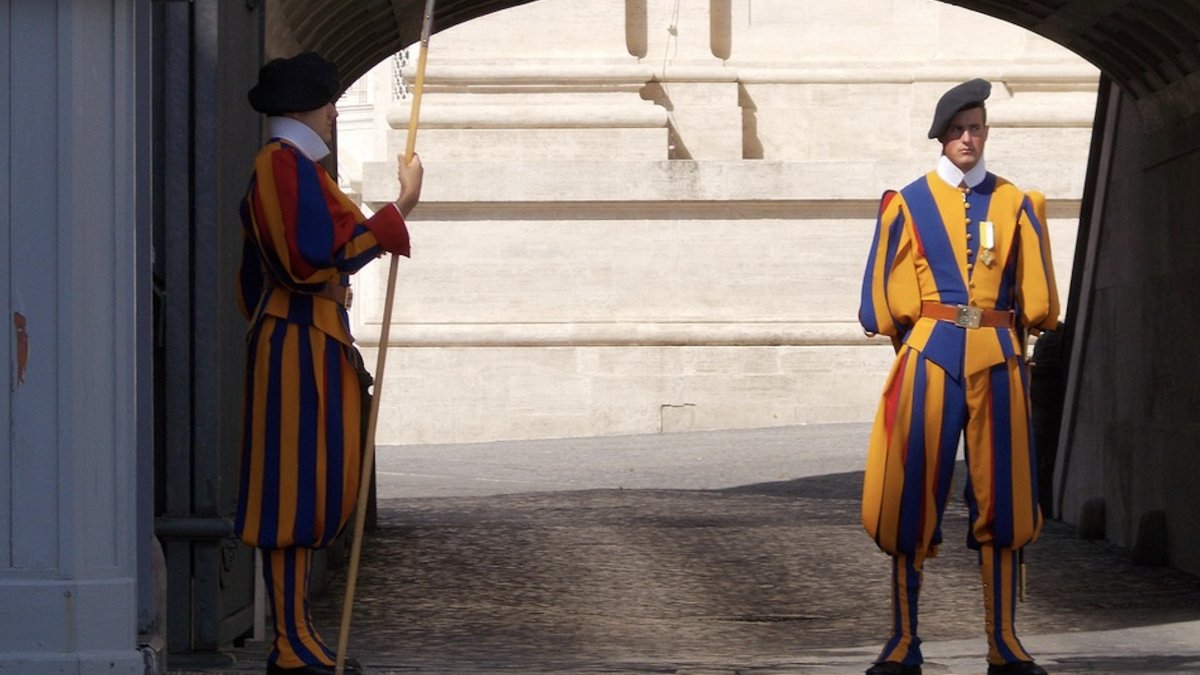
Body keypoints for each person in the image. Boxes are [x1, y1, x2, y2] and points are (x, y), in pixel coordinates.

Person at [857, 78, 1060, 675]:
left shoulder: (1015, 201)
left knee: (1006, 497)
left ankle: (1004, 642)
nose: (967, 137)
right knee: (908, 493)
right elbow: (880, 305)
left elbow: (1040, 302)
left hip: (998, 357)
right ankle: (902, 641)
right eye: (957, 129)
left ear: (985, 133)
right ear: (941, 138)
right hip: (931, 356)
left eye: (975, 128)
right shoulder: (909, 202)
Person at [235, 51, 423, 674]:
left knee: (312, 490)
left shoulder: (295, 168)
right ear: (301, 108)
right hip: (295, 344)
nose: (332, 112)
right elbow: (308, 259)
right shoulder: (280, 166)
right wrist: (396, 215)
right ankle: (289, 641)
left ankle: (298, 634)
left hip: (309, 340)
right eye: (324, 102)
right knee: (291, 494)